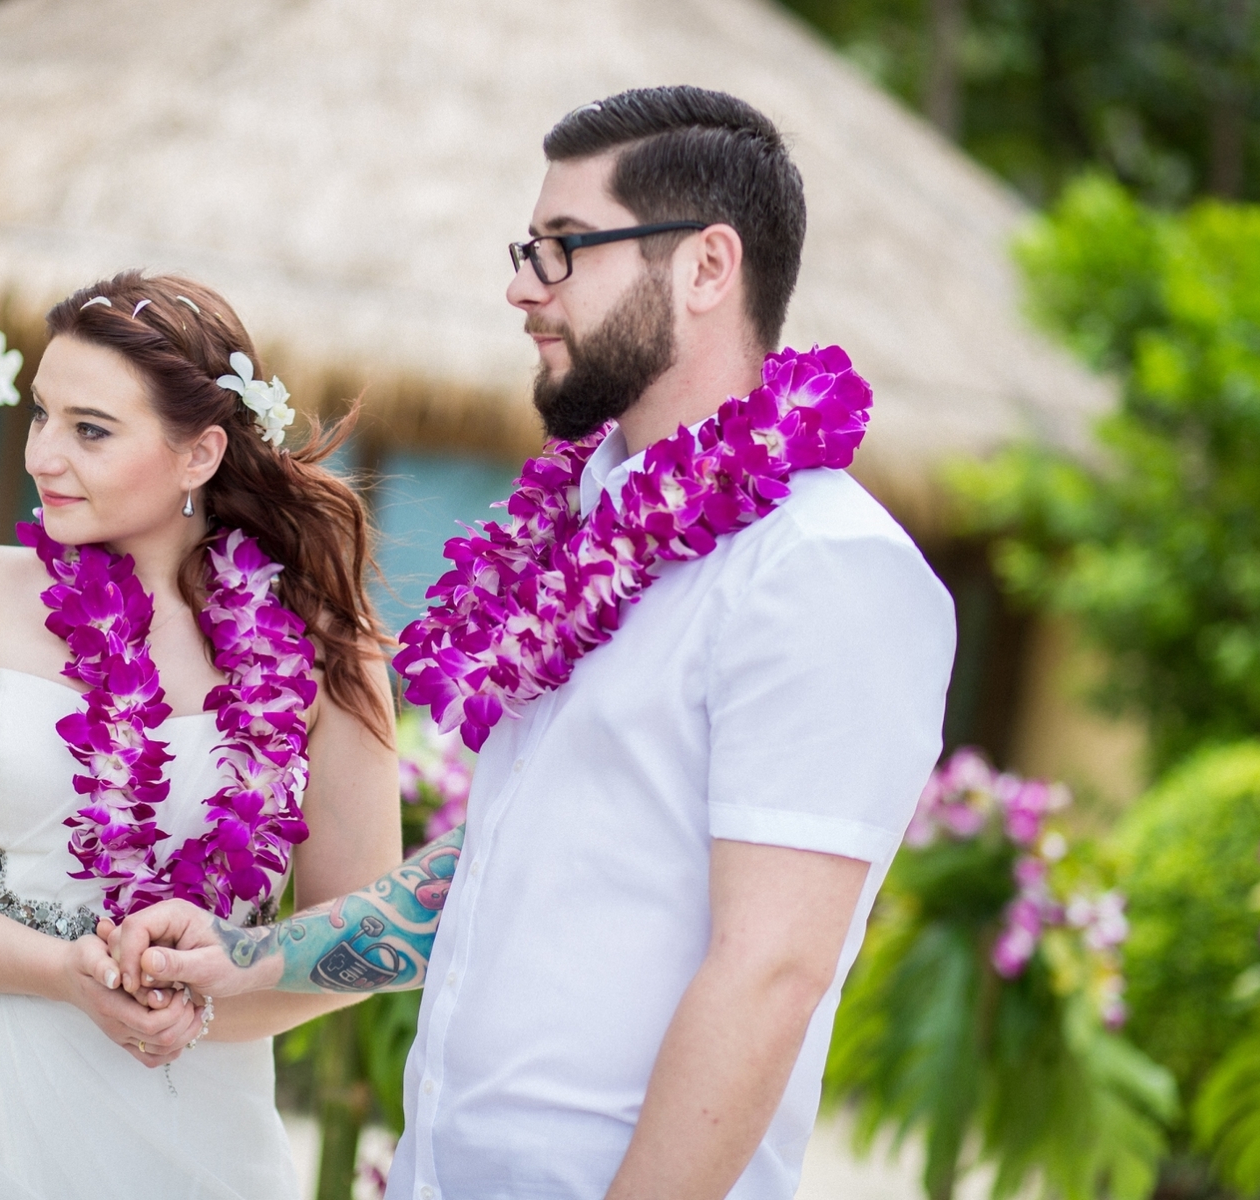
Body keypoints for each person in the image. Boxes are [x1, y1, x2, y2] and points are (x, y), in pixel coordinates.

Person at [111, 86, 958, 1200]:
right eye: (528, 247)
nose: (521, 287)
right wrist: (254, 958)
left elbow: (772, 970)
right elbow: (506, 862)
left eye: (564, 249)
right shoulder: (576, 541)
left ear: (707, 267)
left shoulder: (823, 568)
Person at [0, 271, 404, 1199]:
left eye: (89, 429)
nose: (43, 454)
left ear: (199, 453)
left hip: (189, 1121)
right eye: (41, 414)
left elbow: (355, 940)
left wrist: (206, 1000)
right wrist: (60, 972)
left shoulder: (330, 651)